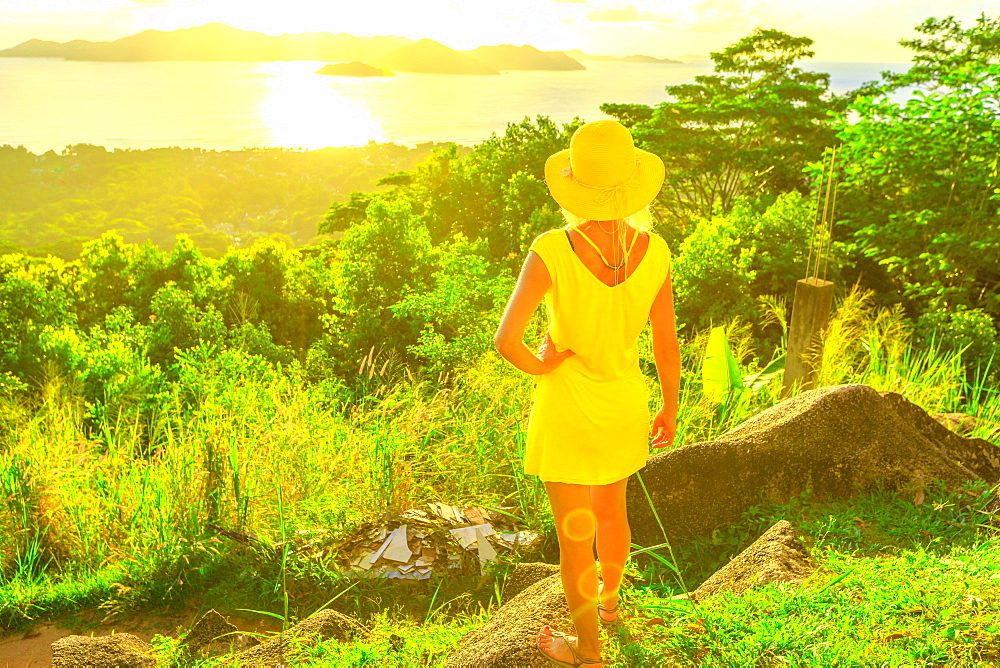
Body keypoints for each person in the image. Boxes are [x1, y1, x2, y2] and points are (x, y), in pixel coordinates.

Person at [493, 119, 681, 667]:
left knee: (576, 535)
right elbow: (666, 346)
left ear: (575, 188)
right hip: (625, 400)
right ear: (630, 184)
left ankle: (589, 652)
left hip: (568, 403)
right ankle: (612, 609)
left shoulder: (552, 248)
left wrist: (542, 364)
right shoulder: (656, 249)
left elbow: (507, 341)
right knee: (612, 513)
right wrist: (671, 405)